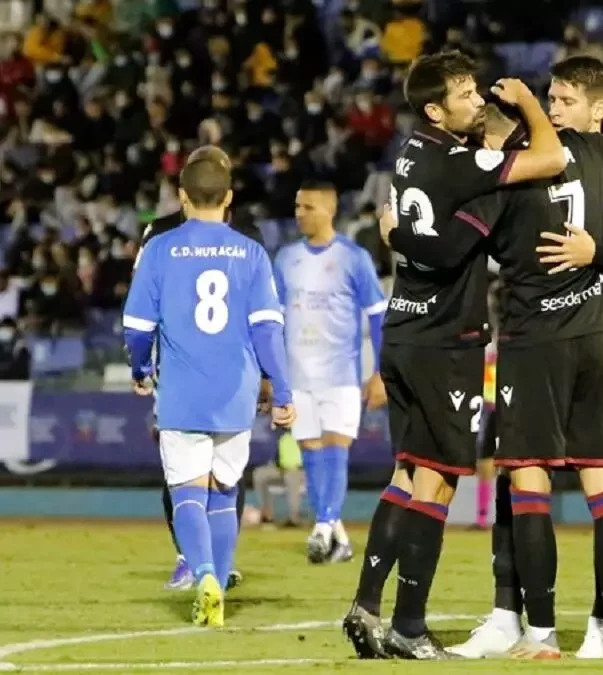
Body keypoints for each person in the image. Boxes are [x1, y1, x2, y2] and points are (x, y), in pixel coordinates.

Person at [340, 51, 567, 660]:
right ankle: (410, 627)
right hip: (446, 340)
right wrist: (526, 104)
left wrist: (396, 235)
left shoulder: (412, 153)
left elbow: (429, 236)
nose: (478, 101)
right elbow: (552, 157)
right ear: (436, 109)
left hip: (405, 329)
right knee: (438, 484)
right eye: (466, 94)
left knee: (406, 475)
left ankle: (365, 606)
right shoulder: (461, 165)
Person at [445, 56, 603, 661]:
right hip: (595, 337)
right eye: (551, 101)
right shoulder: (600, 154)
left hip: (533, 344)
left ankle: (539, 633)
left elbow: (455, 245)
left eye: (563, 100)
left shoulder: (511, 173)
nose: (555, 110)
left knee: (529, 482)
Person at [123, 154, 295, 627]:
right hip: (236, 394)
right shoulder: (252, 251)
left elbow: (137, 326)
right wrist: (281, 390)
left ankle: (203, 574)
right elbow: (267, 330)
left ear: (181, 196)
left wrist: (139, 368)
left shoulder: (160, 248)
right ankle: (218, 575)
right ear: (229, 198)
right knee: (224, 490)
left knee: (187, 493)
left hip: (181, 390)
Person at [137, 146, 260, 593]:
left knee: (201, 472)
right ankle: (193, 558)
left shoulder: (166, 236)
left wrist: (141, 364)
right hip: (216, 373)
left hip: (192, 373)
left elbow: (138, 311)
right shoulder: (240, 238)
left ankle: (208, 564)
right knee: (207, 474)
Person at [273, 182, 387, 565]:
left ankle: (322, 526)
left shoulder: (353, 258)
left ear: (328, 210)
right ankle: (336, 534)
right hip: (297, 375)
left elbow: (377, 315)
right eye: (296, 206)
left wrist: (380, 371)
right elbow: (272, 319)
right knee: (311, 453)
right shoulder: (286, 259)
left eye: (307, 206)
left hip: (340, 373)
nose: (299, 213)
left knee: (336, 449)